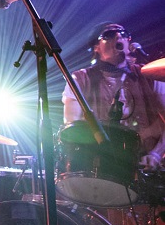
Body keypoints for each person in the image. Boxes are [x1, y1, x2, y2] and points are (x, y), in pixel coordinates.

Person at [63, 22, 165, 170]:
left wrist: (156, 154)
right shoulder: (80, 79)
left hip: (145, 164)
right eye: (109, 34)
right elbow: (73, 126)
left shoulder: (149, 74)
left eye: (123, 34)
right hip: (101, 164)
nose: (118, 36)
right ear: (96, 47)